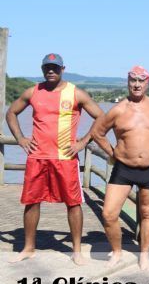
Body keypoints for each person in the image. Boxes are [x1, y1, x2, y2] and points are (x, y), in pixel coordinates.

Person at [6, 53, 104, 264]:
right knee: (31, 202)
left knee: (73, 202)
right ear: (42, 69)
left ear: (63, 69)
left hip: (65, 158)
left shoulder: (75, 93)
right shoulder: (33, 91)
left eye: (55, 67)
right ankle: (29, 247)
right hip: (38, 157)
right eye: (47, 67)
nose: (51, 71)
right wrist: (21, 138)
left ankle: (76, 251)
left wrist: (84, 141)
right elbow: (11, 113)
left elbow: (102, 117)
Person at [91, 66, 149, 271]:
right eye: (133, 80)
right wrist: (112, 153)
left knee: (147, 213)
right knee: (109, 214)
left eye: (141, 81)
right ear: (128, 82)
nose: (137, 84)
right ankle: (117, 251)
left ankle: (144, 255)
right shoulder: (118, 109)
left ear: (148, 83)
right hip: (123, 167)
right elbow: (98, 132)